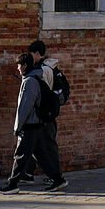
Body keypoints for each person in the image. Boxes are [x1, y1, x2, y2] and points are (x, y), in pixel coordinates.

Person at [0, 53, 59, 193]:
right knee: (41, 155)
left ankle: (12, 184)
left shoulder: (29, 81)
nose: (17, 68)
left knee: (21, 155)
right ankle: (58, 179)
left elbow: (25, 106)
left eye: (18, 65)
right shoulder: (37, 77)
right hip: (38, 123)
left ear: (24, 66)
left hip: (30, 124)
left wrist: (17, 127)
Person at [26, 39, 68, 191]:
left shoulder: (45, 69)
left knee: (47, 146)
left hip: (44, 114)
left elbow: (42, 92)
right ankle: (27, 173)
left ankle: (56, 176)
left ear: (37, 54)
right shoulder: (45, 67)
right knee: (35, 144)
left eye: (31, 54)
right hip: (45, 114)